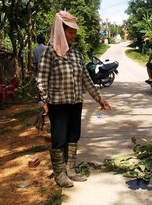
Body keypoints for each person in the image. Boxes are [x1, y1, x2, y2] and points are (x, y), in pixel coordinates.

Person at [37, 11, 112, 188]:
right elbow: (41, 78)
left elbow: (86, 78)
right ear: (60, 32)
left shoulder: (77, 54)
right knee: (59, 138)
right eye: (70, 33)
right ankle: (60, 174)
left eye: (74, 33)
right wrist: (44, 101)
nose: (73, 36)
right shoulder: (50, 54)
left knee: (73, 137)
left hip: (75, 102)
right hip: (57, 104)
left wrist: (99, 98)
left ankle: (70, 170)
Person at [33, 34, 48, 104]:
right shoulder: (47, 48)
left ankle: (41, 100)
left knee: (40, 85)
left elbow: (35, 62)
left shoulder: (35, 50)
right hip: (47, 69)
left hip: (39, 70)